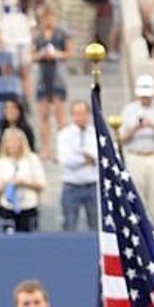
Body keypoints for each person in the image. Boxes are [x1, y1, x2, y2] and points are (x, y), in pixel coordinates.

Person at [120, 74, 154, 228]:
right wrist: (136, 127)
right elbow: (122, 138)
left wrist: (152, 125)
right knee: (137, 199)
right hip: (135, 155)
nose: (145, 98)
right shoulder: (128, 110)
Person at [32, 5, 71, 158]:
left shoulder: (62, 34)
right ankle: (46, 148)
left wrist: (56, 54)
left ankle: (63, 148)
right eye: (45, 18)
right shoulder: (37, 36)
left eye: (50, 18)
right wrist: (41, 54)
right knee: (43, 115)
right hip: (42, 75)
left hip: (57, 75)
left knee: (60, 116)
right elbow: (32, 55)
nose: (48, 21)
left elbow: (68, 53)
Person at [0, 127, 45, 232]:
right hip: (8, 207)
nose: (13, 144)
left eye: (16, 141)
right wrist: (7, 184)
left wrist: (23, 183)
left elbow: (41, 184)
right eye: (10, 141)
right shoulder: (1, 162)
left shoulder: (32, 159)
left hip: (28, 206)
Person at [57, 99, 99, 231]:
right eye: (77, 113)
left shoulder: (97, 134)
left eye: (83, 113)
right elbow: (66, 160)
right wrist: (86, 159)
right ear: (72, 115)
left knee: (96, 226)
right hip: (71, 186)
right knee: (69, 225)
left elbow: (98, 156)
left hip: (92, 186)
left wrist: (81, 155)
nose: (81, 116)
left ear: (88, 114)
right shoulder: (64, 135)